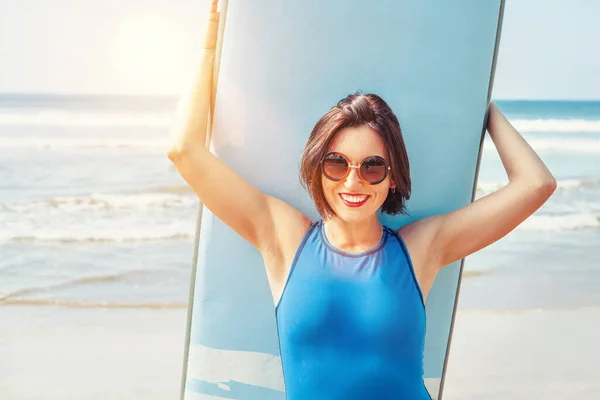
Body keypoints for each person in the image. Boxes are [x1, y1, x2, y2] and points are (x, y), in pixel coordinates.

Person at [167, 5, 557, 399]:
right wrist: (211, 44)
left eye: (372, 167)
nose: (353, 181)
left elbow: (536, 183)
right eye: (337, 163)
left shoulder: (420, 248)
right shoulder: (284, 238)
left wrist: (478, 106)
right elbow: (185, 151)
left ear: (392, 178)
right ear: (318, 167)